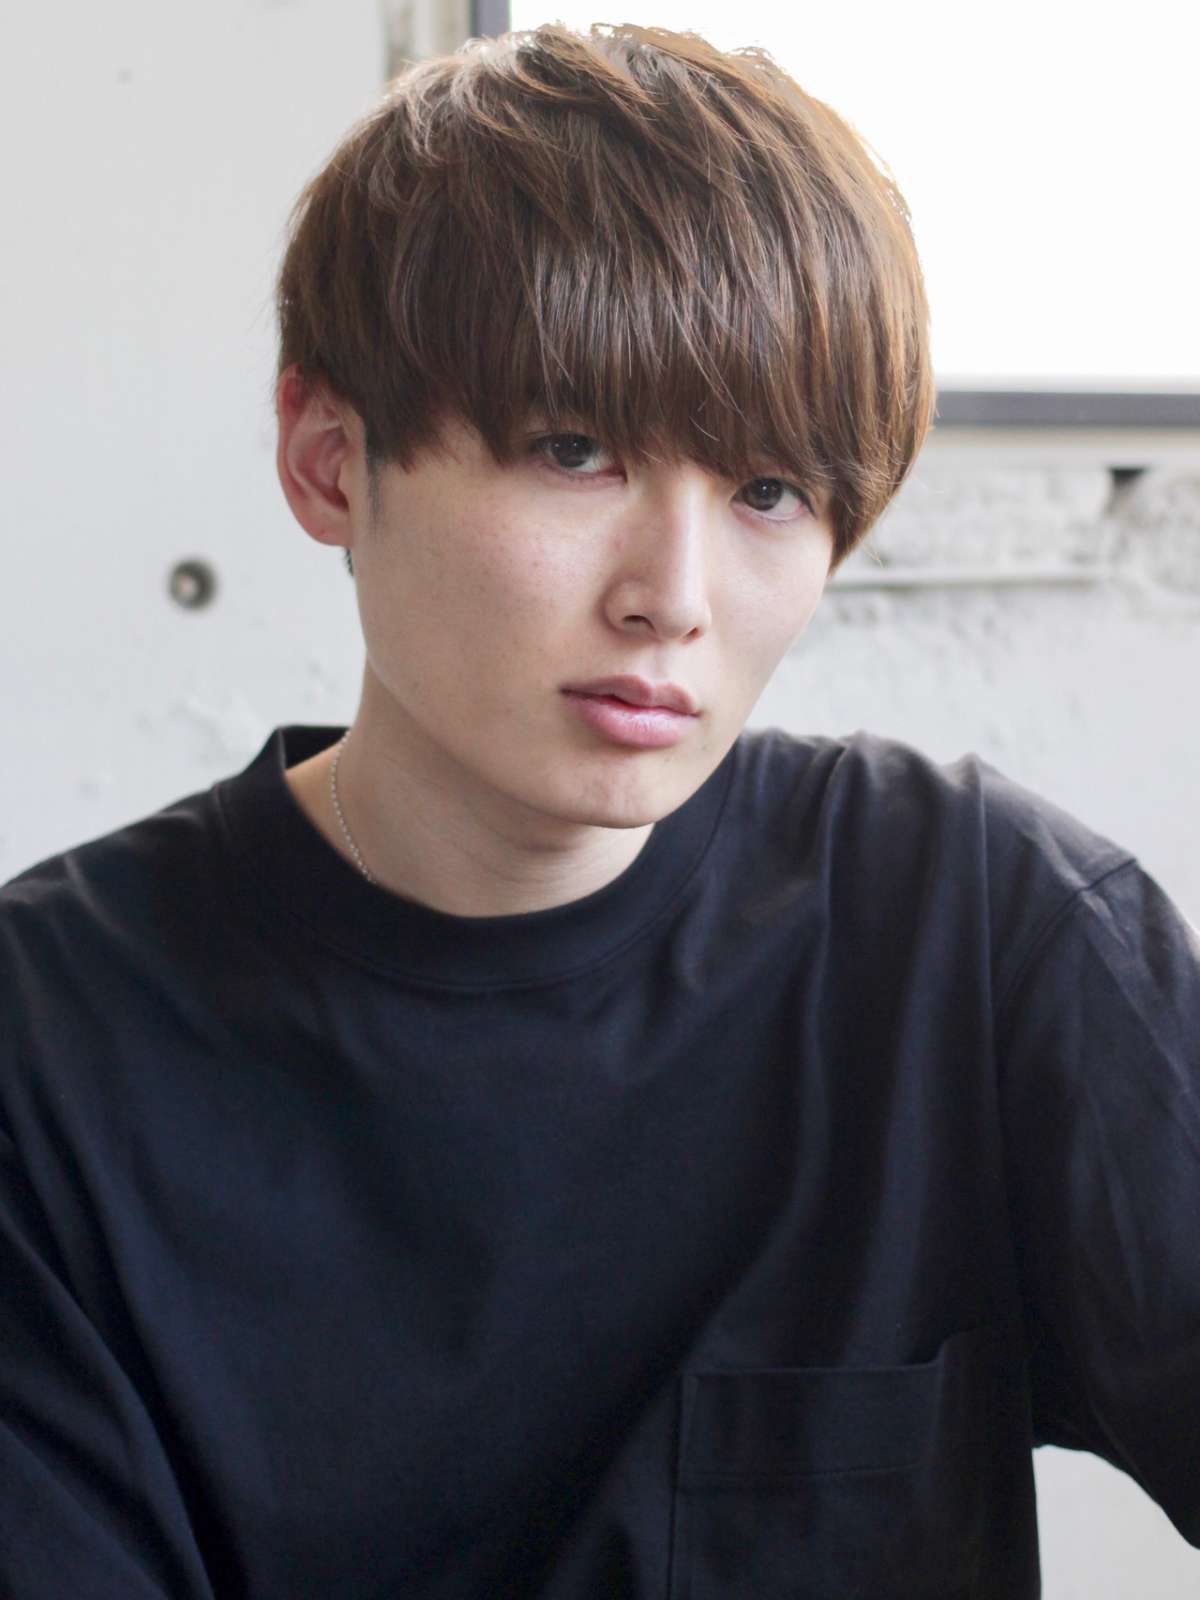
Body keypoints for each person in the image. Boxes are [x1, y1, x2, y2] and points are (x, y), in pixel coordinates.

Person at [1, 20, 1197, 1599]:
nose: (674, 597)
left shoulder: (978, 933)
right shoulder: (48, 1044)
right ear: (330, 460)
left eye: (767, 492)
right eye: (576, 453)